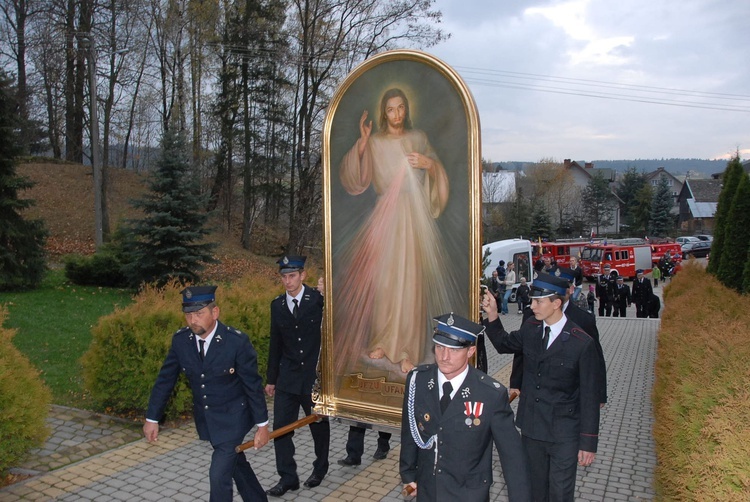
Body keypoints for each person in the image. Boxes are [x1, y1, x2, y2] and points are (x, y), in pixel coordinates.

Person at [334, 87, 461, 375]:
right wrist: (363, 144)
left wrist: (428, 164)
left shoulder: (418, 139)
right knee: (385, 280)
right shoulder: (376, 142)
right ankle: (382, 340)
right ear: (384, 113)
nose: (396, 114)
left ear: (407, 109)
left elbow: (437, 173)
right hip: (384, 217)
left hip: (412, 216)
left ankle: (407, 349)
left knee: (410, 280)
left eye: (401, 107)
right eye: (390, 109)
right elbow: (357, 180)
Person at [144, 286, 270, 502]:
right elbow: (165, 380)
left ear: (215, 312)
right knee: (235, 463)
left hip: (234, 418)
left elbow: (252, 385)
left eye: (199, 314)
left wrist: (263, 426)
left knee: (218, 474)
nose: (193, 320)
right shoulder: (181, 341)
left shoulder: (236, 342)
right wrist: (152, 419)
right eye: (189, 314)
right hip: (208, 419)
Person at [482, 274, 601, 502]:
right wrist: (492, 314)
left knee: (560, 493)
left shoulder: (581, 342)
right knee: (534, 490)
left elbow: (589, 396)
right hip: (532, 428)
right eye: (532, 301)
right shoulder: (531, 329)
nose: (532, 306)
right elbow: (503, 343)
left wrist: (588, 443)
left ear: (556, 303)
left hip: (563, 434)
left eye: (539, 302)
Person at [400, 313, 531, 501]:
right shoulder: (418, 380)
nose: (444, 356)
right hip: (429, 489)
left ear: (470, 351)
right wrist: (408, 474)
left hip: (468, 493)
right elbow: (410, 431)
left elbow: (512, 456)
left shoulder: (490, 394)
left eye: (454, 350)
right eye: (439, 347)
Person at [265, 256, 330, 497]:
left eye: (292, 276)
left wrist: (330, 292)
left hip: (314, 377)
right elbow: (276, 343)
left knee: (318, 425)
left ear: (302, 275)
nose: (287, 281)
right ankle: (287, 477)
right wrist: (272, 379)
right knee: (281, 429)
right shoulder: (277, 305)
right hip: (288, 378)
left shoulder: (318, 300)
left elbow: (341, 316)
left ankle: (320, 468)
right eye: (284, 276)